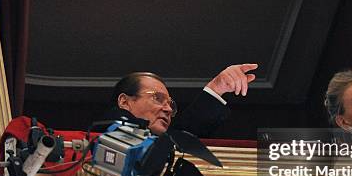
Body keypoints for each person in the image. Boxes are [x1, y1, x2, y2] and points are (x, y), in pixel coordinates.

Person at [107, 64, 258, 136]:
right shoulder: (91, 142)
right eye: (157, 98)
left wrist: (217, 88)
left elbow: (183, 134)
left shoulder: (164, 146)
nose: (168, 109)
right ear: (124, 102)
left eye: (170, 104)